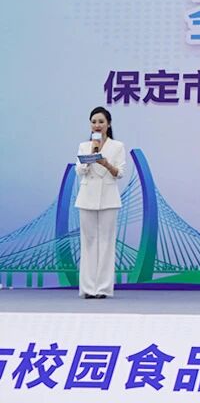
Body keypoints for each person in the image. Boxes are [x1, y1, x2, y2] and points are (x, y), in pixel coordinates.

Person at [75, 107, 127, 299]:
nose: (97, 125)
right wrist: (90, 157)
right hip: (87, 196)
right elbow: (79, 170)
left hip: (108, 197)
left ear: (108, 124)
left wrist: (106, 163)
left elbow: (120, 173)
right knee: (88, 242)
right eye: (94, 122)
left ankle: (103, 288)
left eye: (101, 122)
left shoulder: (117, 146)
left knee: (106, 242)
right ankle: (88, 288)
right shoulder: (84, 145)